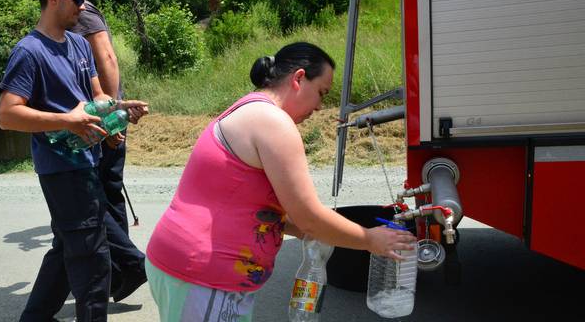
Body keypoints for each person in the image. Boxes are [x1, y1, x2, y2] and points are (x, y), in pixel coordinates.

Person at [144, 42, 417, 320]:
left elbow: (246, 203)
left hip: (187, 267)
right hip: (203, 275)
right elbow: (309, 215)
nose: (320, 107)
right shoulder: (273, 122)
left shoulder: (250, 109)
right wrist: (371, 240)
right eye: (321, 93)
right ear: (298, 78)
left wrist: (301, 229)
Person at [0, 0, 148, 321]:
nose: (83, 7)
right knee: (93, 263)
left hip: (88, 161)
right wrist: (68, 120)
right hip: (61, 170)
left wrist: (117, 116)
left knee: (67, 249)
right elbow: (7, 115)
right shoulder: (29, 52)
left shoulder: (79, 44)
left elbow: (96, 96)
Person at [69, 0, 147, 301]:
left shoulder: (80, 12)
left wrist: (111, 121)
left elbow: (107, 59)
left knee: (86, 201)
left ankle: (130, 264)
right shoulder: (81, 8)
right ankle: (118, 271)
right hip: (97, 118)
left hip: (99, 120)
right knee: (106, 194)